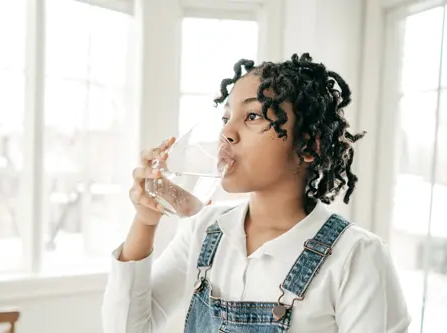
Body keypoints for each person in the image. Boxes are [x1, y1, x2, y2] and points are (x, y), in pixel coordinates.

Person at [102, 53, 411, 333]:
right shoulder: (206, 229)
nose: (226, 133)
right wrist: (145, 219)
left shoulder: (357, 256)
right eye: (226, 118)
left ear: (308, 145)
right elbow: (126, 328)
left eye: (252, 116)